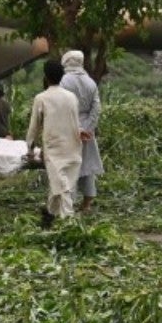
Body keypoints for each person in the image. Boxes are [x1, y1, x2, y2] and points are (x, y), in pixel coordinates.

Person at [25, 60, 82, 227]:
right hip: (73, 146)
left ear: (45, 77)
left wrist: (29, 147)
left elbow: (34, 125)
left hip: (54, 148)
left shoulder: (41, 98)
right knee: (61, 184)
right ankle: (50, 214)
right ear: (62, 76)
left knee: (61, 186)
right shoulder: (72, 97)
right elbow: (76, 121)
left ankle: (69, 221)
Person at [58, 50, 104, 211]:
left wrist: (75, 128)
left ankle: (69, 201)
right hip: (87, 129)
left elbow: (62, 107)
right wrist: (88, 128)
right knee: (87, 164)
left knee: (69, 164)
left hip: (68, 127)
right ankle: (87, 203)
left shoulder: (63, 80)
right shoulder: (90, 82)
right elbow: (96, 108)